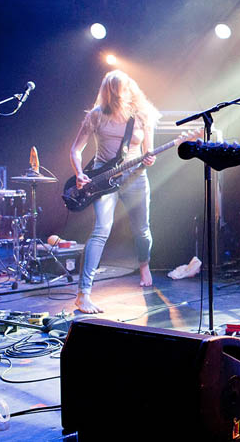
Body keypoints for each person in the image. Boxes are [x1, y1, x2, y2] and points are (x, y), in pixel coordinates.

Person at [70, 70, 161, 314]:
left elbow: (148, 151)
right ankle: (83, 294)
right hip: (103, 178)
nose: (116, 94)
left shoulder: (142, 115)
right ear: (106, 92)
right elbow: (76, 150)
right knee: (101, 230)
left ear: (128, 89)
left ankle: (144, 265)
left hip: (135, 178)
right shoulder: (96, 116)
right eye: (112, 89)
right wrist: (80, 173)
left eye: (119, 89)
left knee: (142, 230)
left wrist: (148, 160)